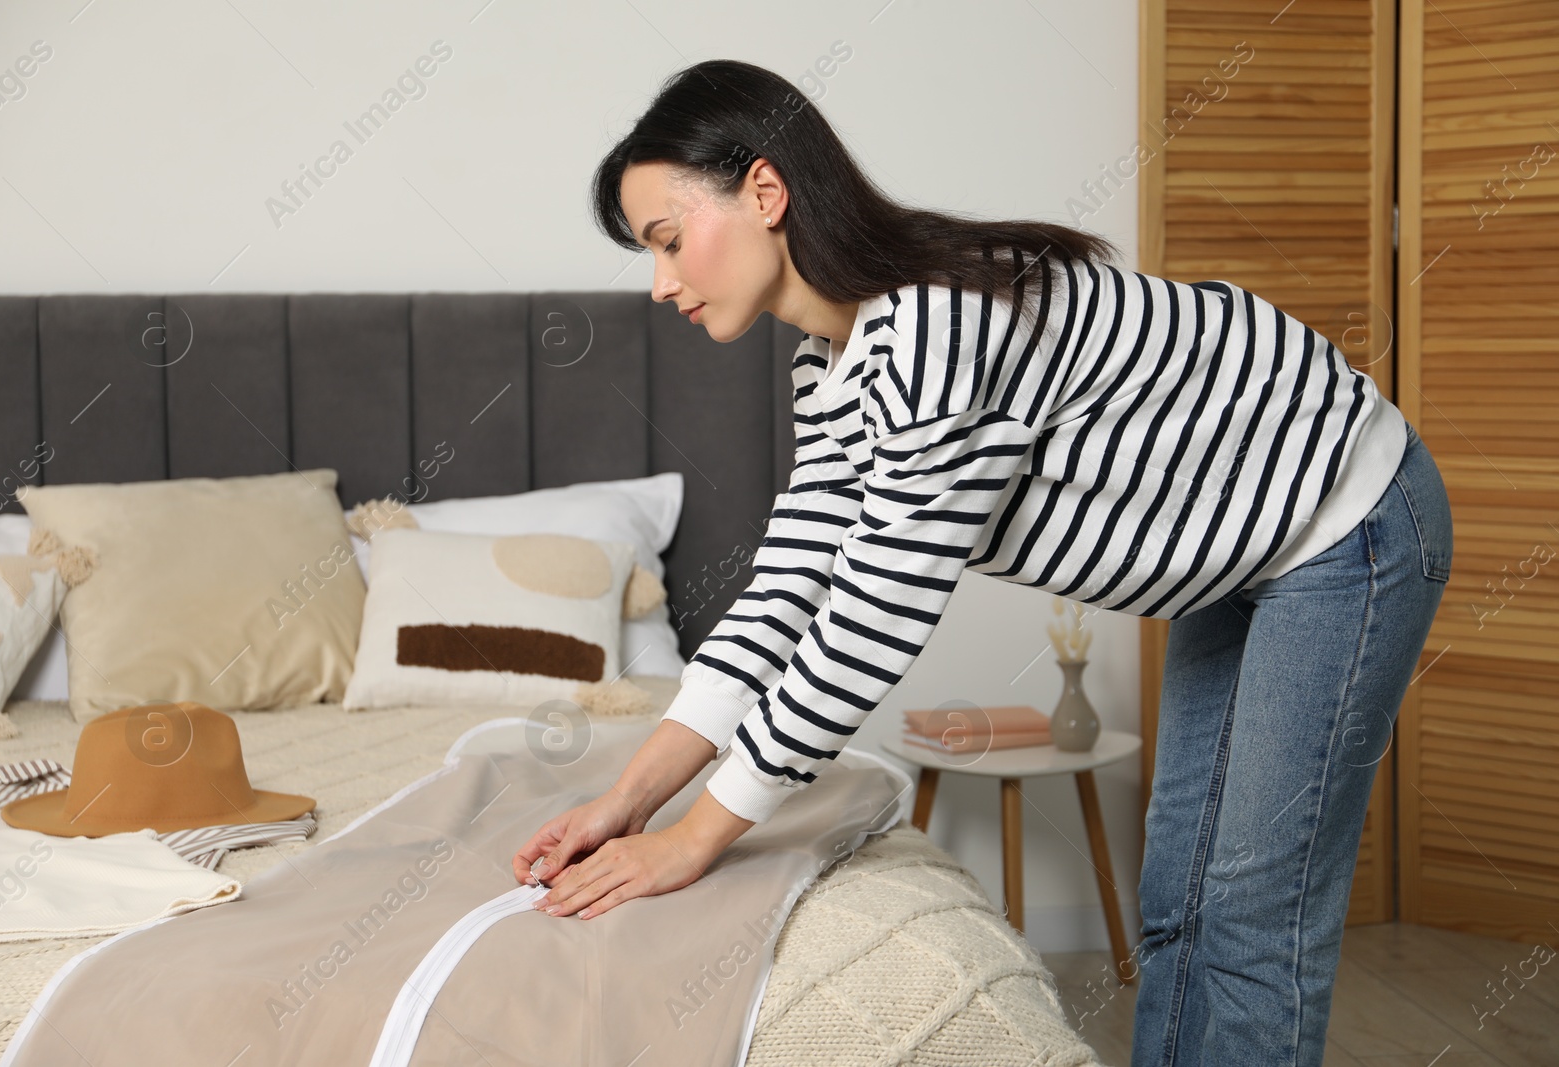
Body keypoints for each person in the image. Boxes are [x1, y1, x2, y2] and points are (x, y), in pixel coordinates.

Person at [511, 58, 1452, 1066]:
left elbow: (868, 622)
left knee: (1250, 919)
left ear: (765, 192)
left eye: (666, 241)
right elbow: (789, 589)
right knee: (1178, 900)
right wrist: (631, 801)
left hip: (1338, 518)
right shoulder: (828, 367)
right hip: (1231, 558)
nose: (661, 283)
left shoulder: (934, 326)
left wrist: (697, 836)